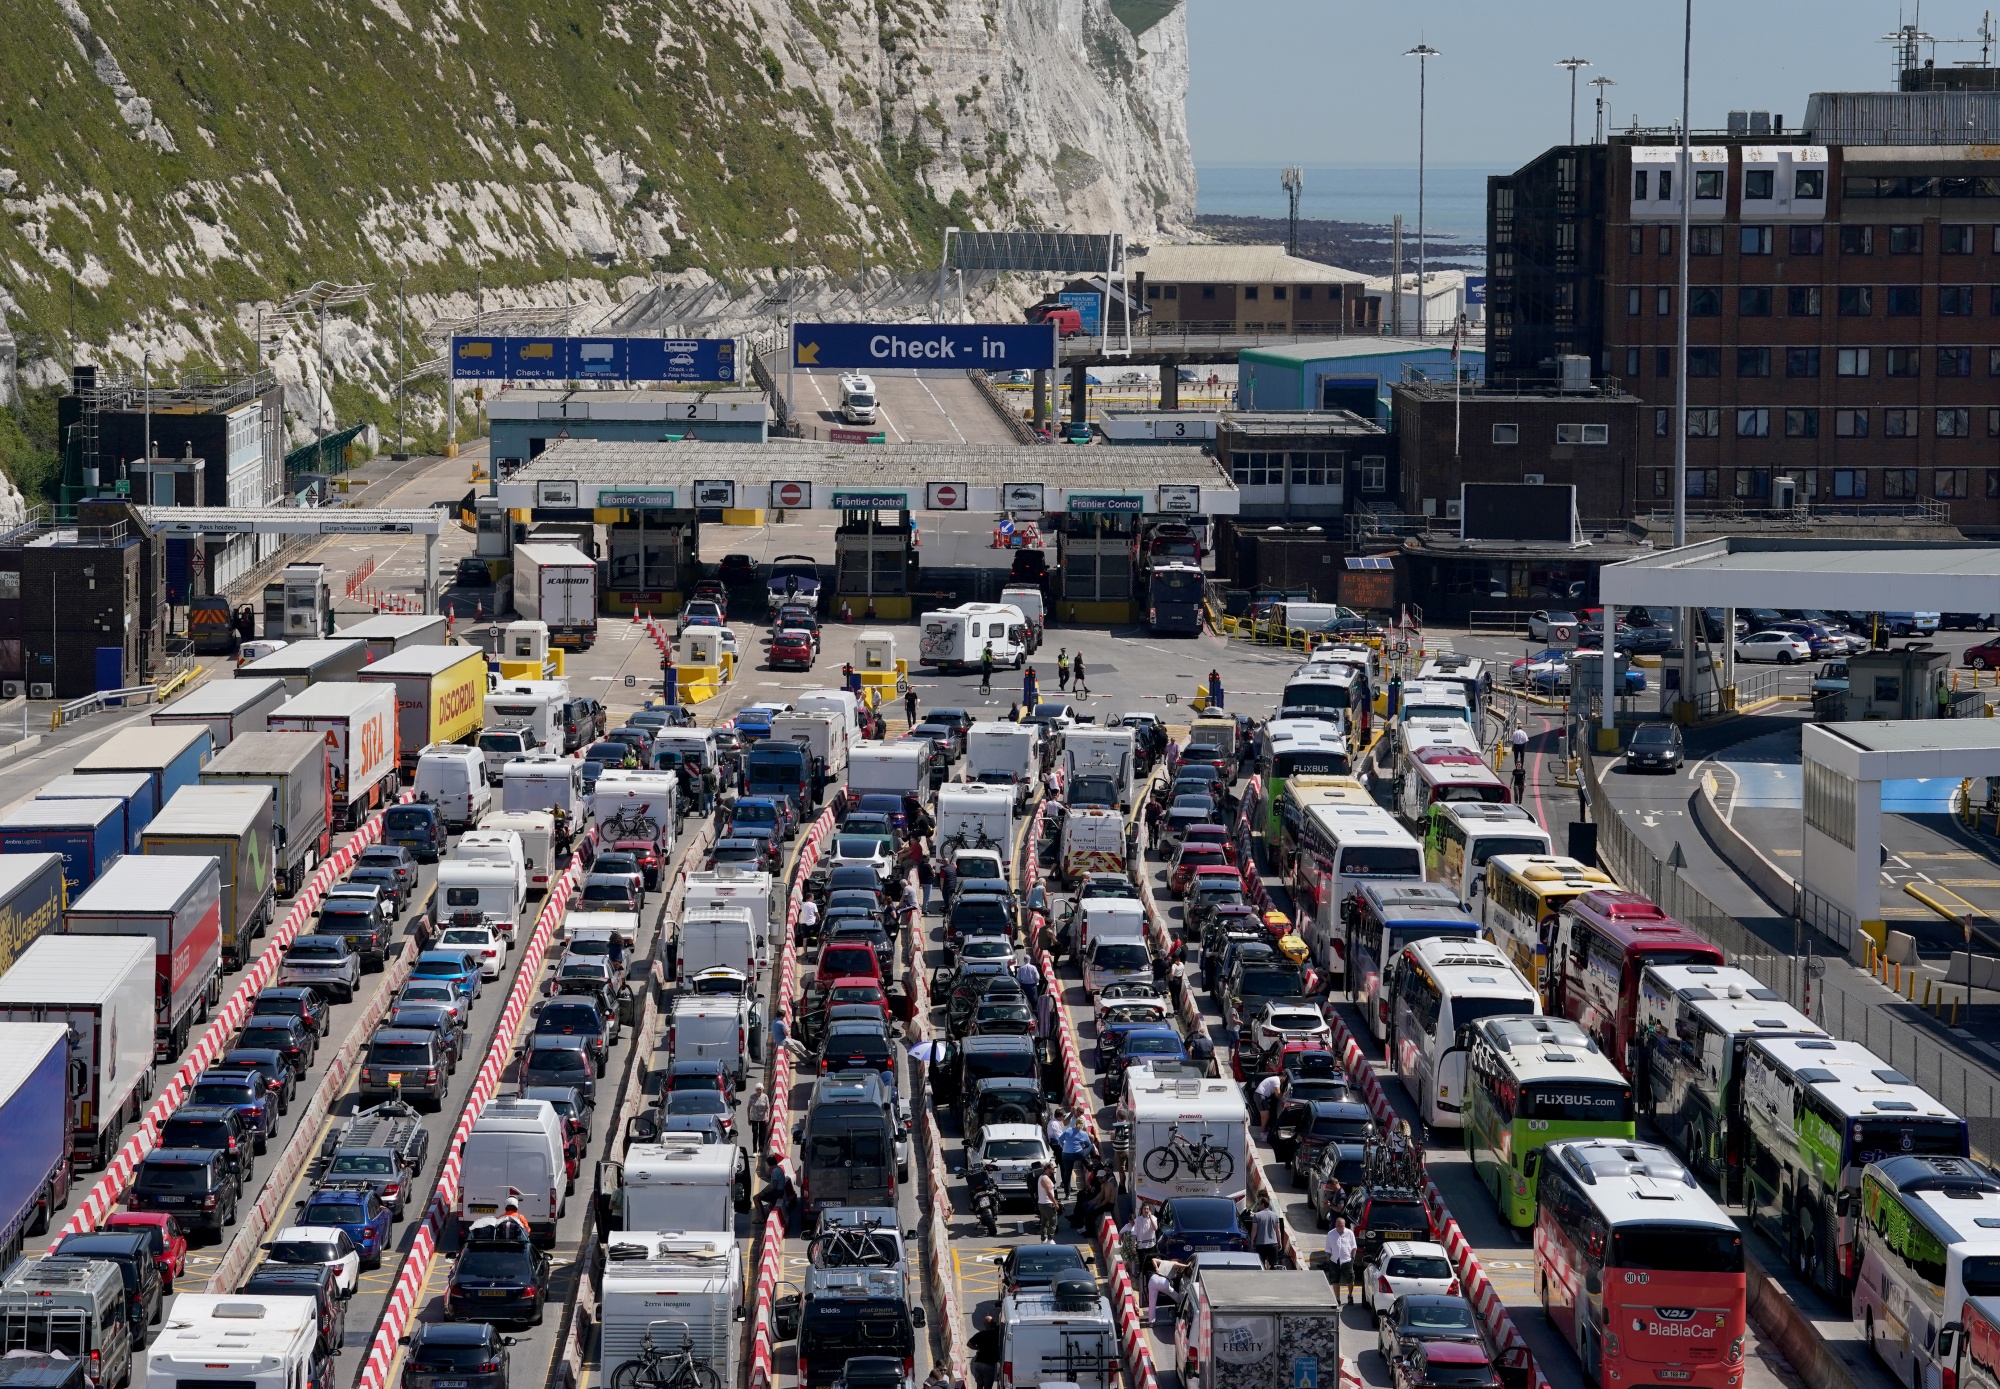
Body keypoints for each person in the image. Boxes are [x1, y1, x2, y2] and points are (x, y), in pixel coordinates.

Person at [1057, 1114, 1096, 1194]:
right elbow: (1088, 1145)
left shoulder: (1068, 1130)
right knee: (1091, 1147)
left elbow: (1059, 1140)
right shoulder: (1083, 1134)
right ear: (1082, 1125)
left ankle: (1067, 1194)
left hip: (1066, 1154)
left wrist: (1063, 1146)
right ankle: (1094, 1163)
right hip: (1077, 1154)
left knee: (1067, 1174)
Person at [1324, 1216, 1359, 1302]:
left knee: (1350, 1280)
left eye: (1342, 1225)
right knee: (1335, 1281)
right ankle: (1337, 1299)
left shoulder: (1350, 1233)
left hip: (1347, 1260)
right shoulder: (1330, 1234)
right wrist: (1329, 1259)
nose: (1340, 1227)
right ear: (1335, 1225)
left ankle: (1350, 1295)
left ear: (1344, 1225)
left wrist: (1352, 1258)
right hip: (1334, 1260)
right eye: (1338, 1225)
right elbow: (1328, 1248)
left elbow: (1354, 1247)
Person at [967, 1313, 1002, 1389]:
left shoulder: (980, 1334)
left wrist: (977, 1348)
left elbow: (969, 1344)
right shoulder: (995, 1333)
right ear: (993, 1323)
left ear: (984, 1324)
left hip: (979, 1364)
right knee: (988, 1386)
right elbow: (999, 1325)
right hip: (989, 1365)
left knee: (979, 1385)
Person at [1126, 1204, 1159, 1282]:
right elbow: (1134, 1233)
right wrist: (1133, 1245)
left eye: (1148, 1209)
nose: (1146, 1210)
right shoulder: (1137, 1220)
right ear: (1142, 1210)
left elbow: (1155, 1228)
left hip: (1151, 1246)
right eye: (1145, 1209)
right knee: (1143, 1264)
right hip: (1142, 1247)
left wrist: (1150, 1217)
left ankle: (1150, 1280)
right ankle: (1142, 1280)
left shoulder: (1153, 1218)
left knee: (1152, 1264)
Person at [1251, 1193, 1283, 1268]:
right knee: (1274, 1266)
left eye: (1259, 1204)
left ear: (1263, 1204)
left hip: (1260, 1244)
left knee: (1261, 1265)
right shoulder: (1275, 1216)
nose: (1258, 1206)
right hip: (1273, 1244)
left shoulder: (1256, 1216)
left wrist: (1252, 1241)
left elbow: (1254, 1231)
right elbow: (1278, 1230)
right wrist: (1280, 1242)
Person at [1035, 1163, 1060, 1241]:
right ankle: (1050, 1239)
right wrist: (1055, 1203)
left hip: (1042, 1203)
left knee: (1044, 1223)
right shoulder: (1046, 1179)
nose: (1054, 1170)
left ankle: (1044, 1239)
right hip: (1047, 1204)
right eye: (1052, 1169)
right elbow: (1049, 1193)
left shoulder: (1041, 1177)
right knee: (1053, 1222)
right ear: (1047, 1169)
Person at [747, 1084, 771, 1155]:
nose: (759, 1091)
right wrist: (748, 1118)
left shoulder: (765, 1097)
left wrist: (767, 1116)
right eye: (758, 1089)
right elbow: (748, 1107)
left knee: (761, 1134)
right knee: (755, 1134)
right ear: (756, 1090)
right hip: (754, 1118)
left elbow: (768, 1107)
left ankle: (761, 1150)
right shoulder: (752, 1097)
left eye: (760, 1089)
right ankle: (754, 1150)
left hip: (762, 1118)